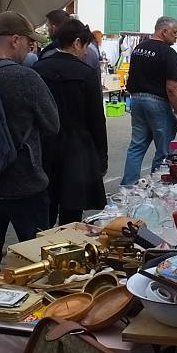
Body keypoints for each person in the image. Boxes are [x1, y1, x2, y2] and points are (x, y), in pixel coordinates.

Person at [0, 11, 61, 284]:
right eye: (28, 42)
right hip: (24, 183)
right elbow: (52, 125)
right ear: (15, 40)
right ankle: (35, 316)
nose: (31, 47)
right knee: (36, 260)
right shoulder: (25, 77)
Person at [34, 19, 108, 226]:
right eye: (85, 46)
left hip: (45, 145)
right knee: (71, 211)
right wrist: (102, 156)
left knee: (45, 207)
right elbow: (96, 119)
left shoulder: (39, 68)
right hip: (77, 148)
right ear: (77, 43)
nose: (86, 52)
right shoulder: (85, 73)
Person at [122, 16, 177, 186]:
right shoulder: (167, 52)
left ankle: (128, 187)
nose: (176, 37)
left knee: (137, 146)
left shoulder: (138, 48)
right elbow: (172, 87)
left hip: (136, 99)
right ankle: (159, 187)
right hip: (157, 101)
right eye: (174, 33)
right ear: (163, 31)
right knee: (164, 150)